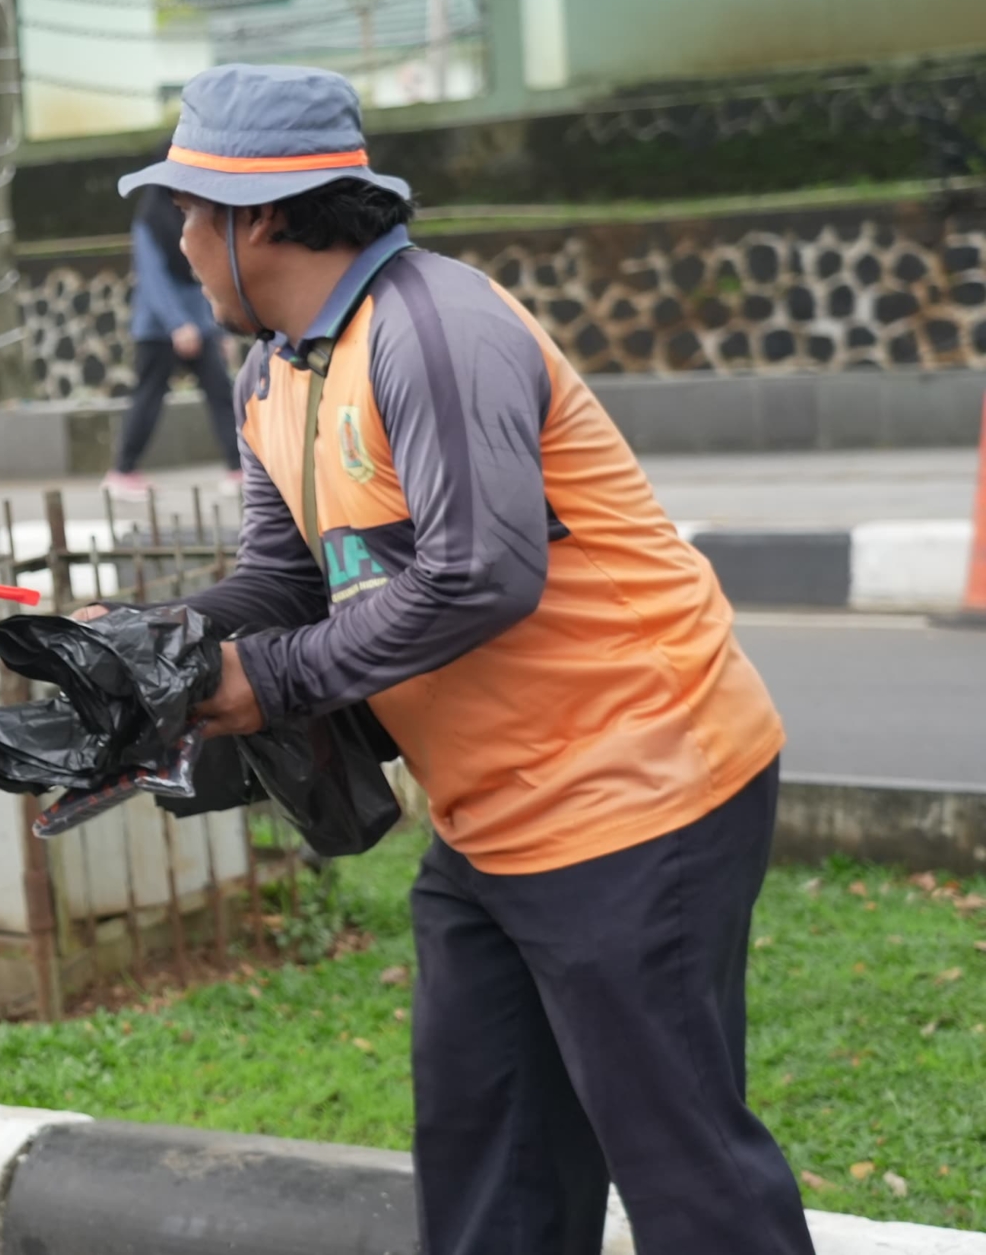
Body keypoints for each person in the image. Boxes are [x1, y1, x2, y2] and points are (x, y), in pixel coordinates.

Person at [109, 64, 809, 1255]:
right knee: (492, 1168)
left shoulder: (435, 333)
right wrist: (154, 646)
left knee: (688, 1179)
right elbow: (282, 577)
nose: (176, 233)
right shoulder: (273, 367)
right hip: (491, 816)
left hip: (638, 786)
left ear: (262, 214)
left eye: (189, 207)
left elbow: (481, 572)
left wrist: (264, 681)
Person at [103, 174, 242, 497]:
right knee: (149, 397)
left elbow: (203, 273)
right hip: (158, 329)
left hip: (200, 322)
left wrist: (219, 327)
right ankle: (122, 472)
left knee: (221, 392)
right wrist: (177, 324)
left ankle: (239, 469)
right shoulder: (150, 220)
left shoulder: (193, 215)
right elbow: (152, 279)